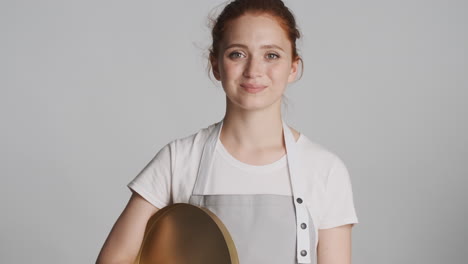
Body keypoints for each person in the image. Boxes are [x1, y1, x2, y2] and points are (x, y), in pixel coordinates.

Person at [96, 0, 359, 263]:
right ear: (216, 65)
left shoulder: (325, 170)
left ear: (293, 67)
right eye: (237, 53)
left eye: (271, 55)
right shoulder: (178, 160)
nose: (254, 70)